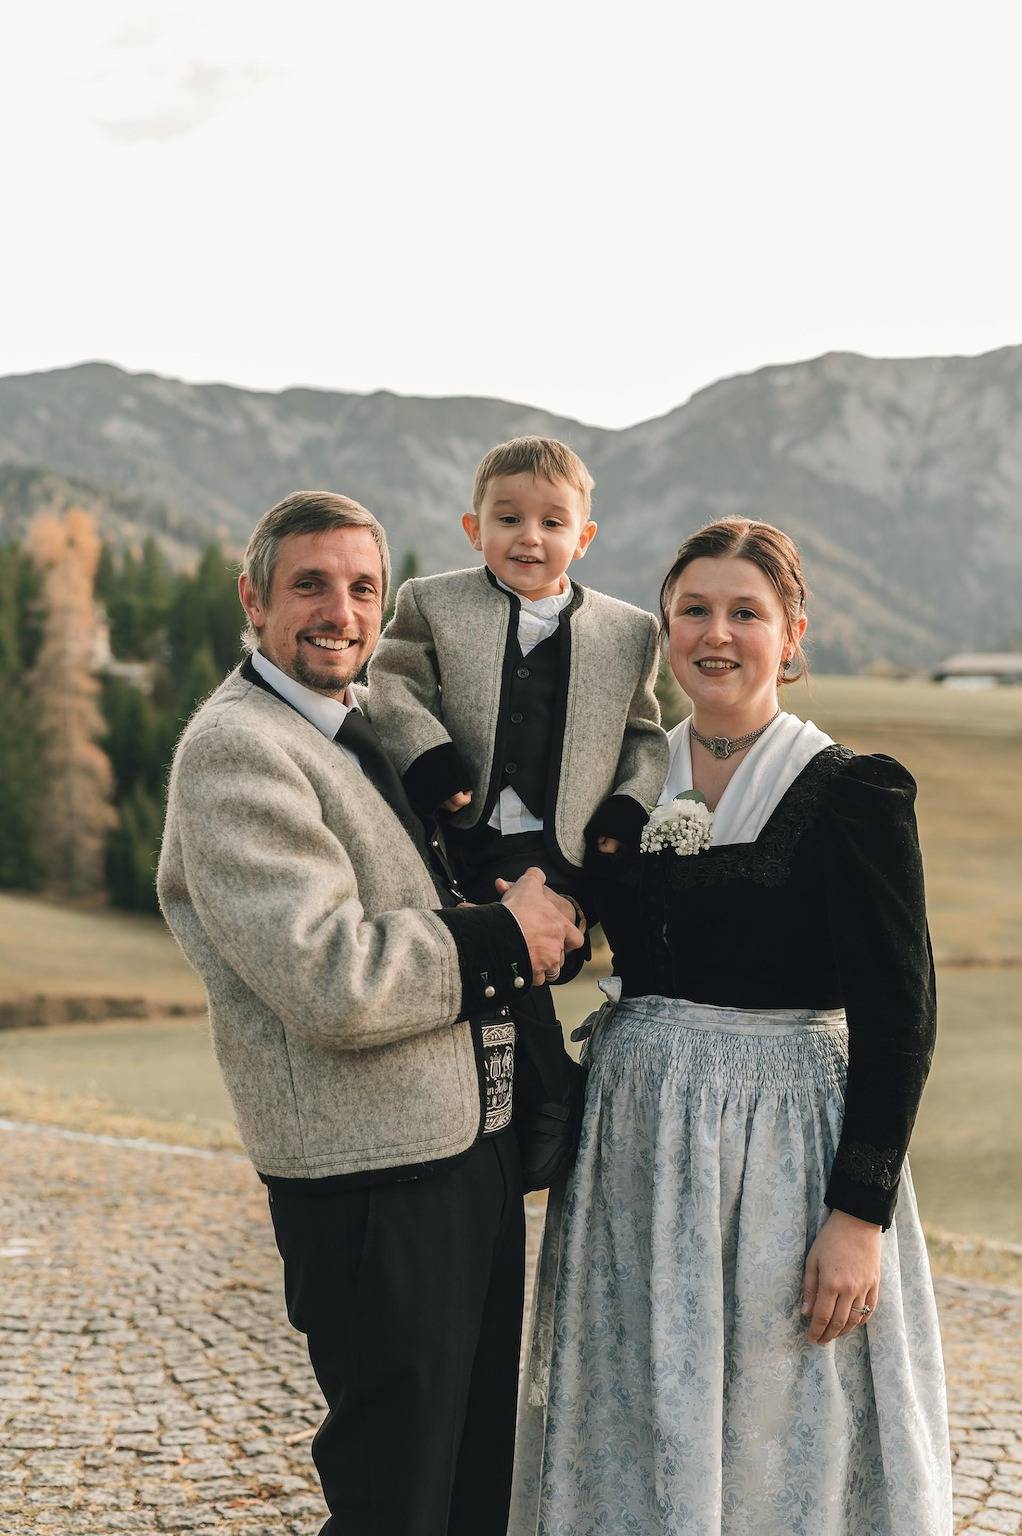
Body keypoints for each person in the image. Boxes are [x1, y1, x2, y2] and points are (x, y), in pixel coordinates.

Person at [511, 517, 953, 1535]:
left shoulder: (849, 792)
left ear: (790, 635)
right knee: (636, 1401)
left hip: (784, 1150)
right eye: (693, 611)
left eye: (744, 613)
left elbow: (899, 1013)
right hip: (636, 1149)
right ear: (664, 632)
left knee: (771, 1412)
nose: (717, 634)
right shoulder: (620, 784)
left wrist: (858, 1215)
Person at [156, 490, 584, 1536]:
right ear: (252, 599)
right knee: (397, 1497)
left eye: (361, 588)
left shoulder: (366, 729)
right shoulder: (237, 750)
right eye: (308, 584)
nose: (338, 611)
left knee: (472, 1482)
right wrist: (503, 939)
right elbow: (329, 977)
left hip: (457, 1154)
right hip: (368, 1182)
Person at [368, 436, 668, 1189]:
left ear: (583, 537)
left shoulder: (630, 633)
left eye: (551, 523)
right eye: (508, 519)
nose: (529, 537)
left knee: (543, 954)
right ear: (475, 529)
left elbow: (645, 734)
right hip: (467, 836)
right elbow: (394, 685)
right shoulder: (431, 603)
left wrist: (630, 805)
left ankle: (550, 1097)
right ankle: (543, 1097)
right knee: (501, 954)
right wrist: (427, 753)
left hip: (569, 847)